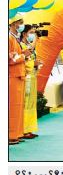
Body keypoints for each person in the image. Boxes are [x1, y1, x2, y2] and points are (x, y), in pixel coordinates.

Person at [9, 14, 28, 145]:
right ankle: (10, 135)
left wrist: (23, 55)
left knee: (19, 106)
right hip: (12, 76)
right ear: (13, 24)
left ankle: (18, 133)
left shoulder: (15, 38)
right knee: (13, 107)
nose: (21, 25)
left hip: (19, 75)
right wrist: (23, 56)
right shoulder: (8, 38)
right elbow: (9, 59)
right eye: (19, 22)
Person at [20, 25, 40, 139]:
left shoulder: (27, 44)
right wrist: (33, 63)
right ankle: (23, 129)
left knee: (31, 103)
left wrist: (36, 63)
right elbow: (24, 61)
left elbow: (31, 56)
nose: (32, 35)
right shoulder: (21, 45)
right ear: (24, 34)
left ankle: (29, 128)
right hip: (26, 77)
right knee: (26, 103)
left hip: (32, 75)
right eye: (30, 32)